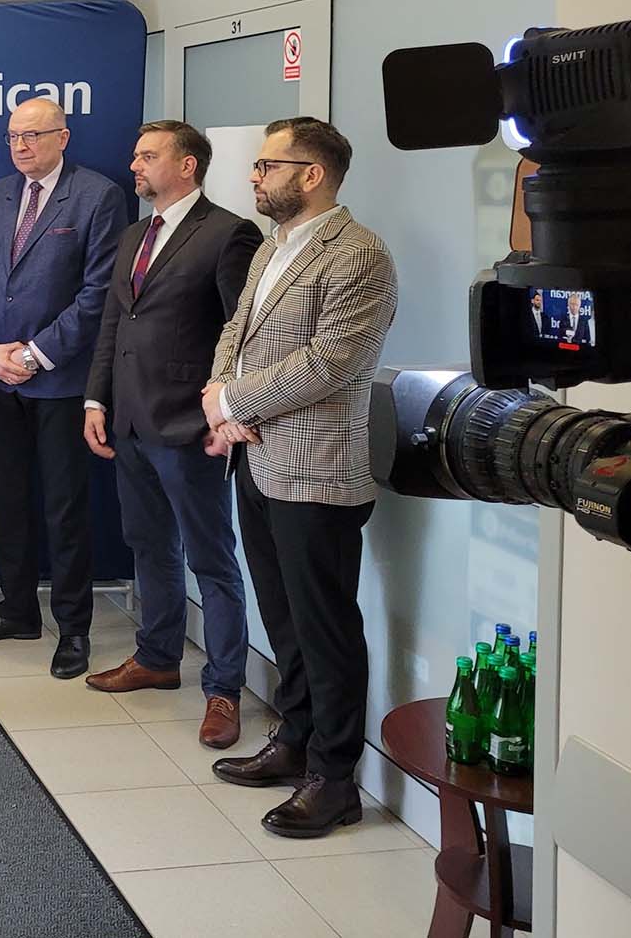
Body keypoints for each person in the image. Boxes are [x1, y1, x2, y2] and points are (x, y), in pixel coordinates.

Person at [203, 117, 398, 839]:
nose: (254, 177)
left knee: (325, 628)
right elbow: (236, 331)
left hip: (317, 470)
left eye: (267, 166)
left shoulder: (359, 254)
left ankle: (334, 777)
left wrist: (233, 403)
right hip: (256, 459)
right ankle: (294, 740)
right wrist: (220, 397)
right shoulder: (272, 245)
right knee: (282, 617)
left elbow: (329, 363)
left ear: (311, 175)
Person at [83, 120, 261, 749]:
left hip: (190, 424)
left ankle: (224, 688)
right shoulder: (134, 235)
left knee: (211, 559)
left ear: (187, 165)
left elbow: (243, 333)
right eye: (135, 155)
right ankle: (158, 658)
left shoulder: (229, 233)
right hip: (130, 419)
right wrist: (96, 398)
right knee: (148, 545)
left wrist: (229, 414)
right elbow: (114, 324)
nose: (135, 165)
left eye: (148, 156)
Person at [0, 96, 128, 679]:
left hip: (59, 380)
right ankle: (18, 610)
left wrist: (34, 354)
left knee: (64, 508)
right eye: (12, 137)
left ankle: (73, 628)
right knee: (8, 500)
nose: (21, 146)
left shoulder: (98, 196)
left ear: (63, 136)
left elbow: (98, 294)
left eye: (32, 135)